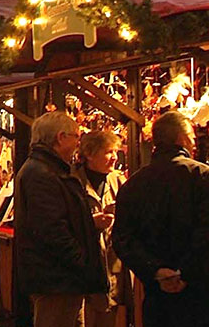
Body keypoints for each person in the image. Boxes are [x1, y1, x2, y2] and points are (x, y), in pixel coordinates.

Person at [113, 111, 209, 327]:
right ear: (181, 139)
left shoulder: (133, 184)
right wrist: (185, 273)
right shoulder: (203, 176)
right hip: (199, 299)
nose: (194, 143)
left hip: (157, 298)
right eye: (192, 137)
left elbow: (122, 239)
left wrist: (156, 271)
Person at [13, 111, 108, 327]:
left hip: (58, 277)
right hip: (56, 278)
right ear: (60, 138)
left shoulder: (46, 169)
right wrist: (81, 263)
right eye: (76, 136)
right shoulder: (42, 174)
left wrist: (88, 223)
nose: (78, 142)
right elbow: (51, 230)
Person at [74, 130, 127, 327]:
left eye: (115, 151)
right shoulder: (72, 182)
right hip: (83, 265)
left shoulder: (118, 180)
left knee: (108, 315)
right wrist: (90, 223)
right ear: (89, 153)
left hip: (111, 266)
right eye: (108, 152)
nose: (114, 157)